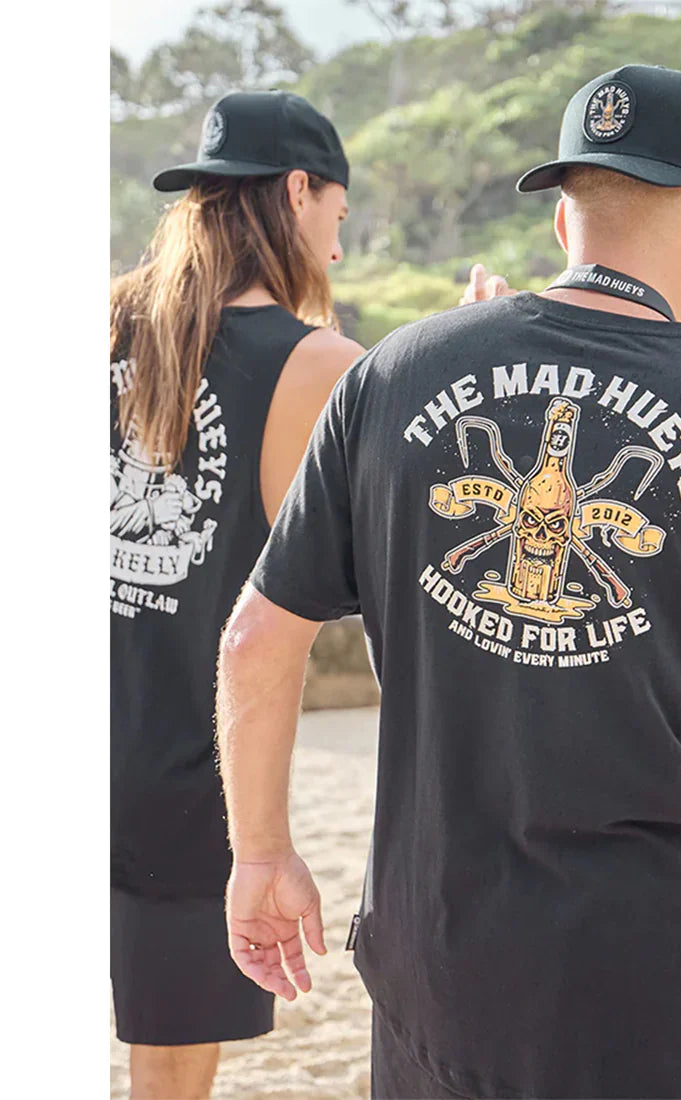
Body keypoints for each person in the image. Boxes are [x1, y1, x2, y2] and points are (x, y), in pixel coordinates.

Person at [216, 65, 681, 1099]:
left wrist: (260, 856)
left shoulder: (389, 375)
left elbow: (254, 641)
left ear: (563, 212)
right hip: (656, 989)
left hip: (438, 972)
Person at [110, 90, 365, 1099]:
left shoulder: (100, 318)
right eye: (337, 216)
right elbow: (358, 584)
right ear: (298, 191)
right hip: (186, 781)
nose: (336, 248)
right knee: (166, 1074)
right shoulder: (317, 365)